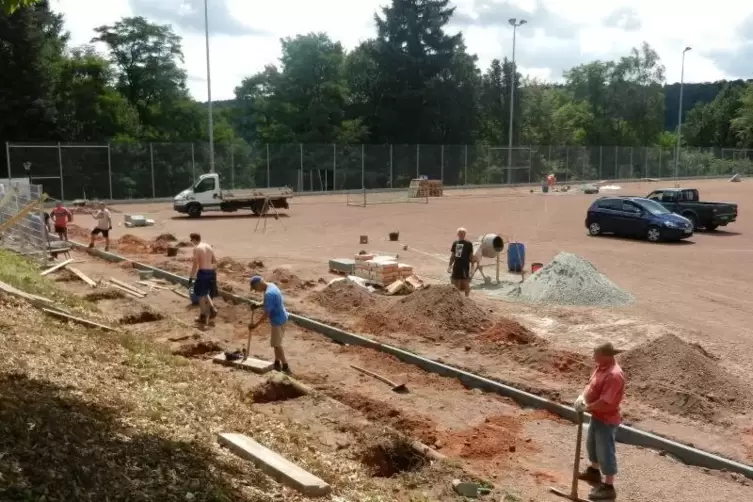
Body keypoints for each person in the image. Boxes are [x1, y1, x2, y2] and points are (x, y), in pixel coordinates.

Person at [574, 342, 626, 501]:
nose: (593, 357)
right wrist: (582, 397)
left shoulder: (614, 375)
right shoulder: (601, 366)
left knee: (605, 451)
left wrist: (587, 407)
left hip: (607, 419)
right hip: (597, 416)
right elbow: (590, 385)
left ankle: (609, 487)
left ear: (606, 356)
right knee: (592, 446)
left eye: (596, 354)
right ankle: (594, 472)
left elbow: (605, 402)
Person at [248, 275, 290, 374]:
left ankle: (285, 366)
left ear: (258, 284)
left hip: (278, 321)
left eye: (255, 288)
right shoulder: (271, 286)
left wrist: (255, 325)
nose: (256, 291)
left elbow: (266, 313)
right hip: (282, 317)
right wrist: (258, 305)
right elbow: (268, 302)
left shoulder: (269, 294)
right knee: (276, 343)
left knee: (277, 344)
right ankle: (277, 362)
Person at [187, 233, 218, 327]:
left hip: (203, 272)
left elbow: (195, 264)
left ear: (194, 239)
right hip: (211, 272)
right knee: (205, 292)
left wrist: (191, 276)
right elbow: (214, 261)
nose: (191, 242)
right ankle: (212, 309)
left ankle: (203, 316)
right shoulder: (208, 246)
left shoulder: (197, 248)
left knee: (200, 295)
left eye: (191, 240)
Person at [448, 227, 476, 297]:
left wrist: (472, 267)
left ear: (465, 234)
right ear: (457, 234)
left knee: (465, 281)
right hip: (457, 265)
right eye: (460, 233)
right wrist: (450, 266)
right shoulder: (455, 243)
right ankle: (458, 298)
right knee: (455, 282)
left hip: (464, 266)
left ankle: (467, 299)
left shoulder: (468, 244)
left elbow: (471, 256)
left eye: (463, 233)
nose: (461, 234)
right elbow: (453, 256)